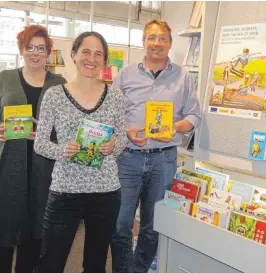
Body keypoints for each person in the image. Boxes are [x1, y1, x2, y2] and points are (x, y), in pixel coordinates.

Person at [111, 20, 201, 273]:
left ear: (170, 43)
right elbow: (112, 114)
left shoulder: (183, 76)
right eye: (152, 38)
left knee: (152, 225)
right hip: (128, 158)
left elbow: (194, 116)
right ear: (144, 42)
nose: (157, 43)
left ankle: (139, 270)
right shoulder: (126, 74)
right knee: (120, 223)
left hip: (163, 159)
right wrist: (126, 131)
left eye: (162, 38)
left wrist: (175, 127)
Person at [33, 31, 127, 273]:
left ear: (104, 61)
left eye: (98, 54)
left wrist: (113, 146)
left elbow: (123, 139)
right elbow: (40, 143)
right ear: (74, 54)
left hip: (106, 192)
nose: (91, 59)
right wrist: (62, 150)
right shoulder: (54, 95)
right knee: (50, 262)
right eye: (85, 51)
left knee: (96, 265)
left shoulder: (115, 96)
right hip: (65, 191)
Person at [0, 25, 66, 273]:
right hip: (6, 171)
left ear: (48, 52)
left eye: (41, 48)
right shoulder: (4, 79)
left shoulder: (60, 84)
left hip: (44, 173)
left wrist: (52, 134)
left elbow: (69, 125)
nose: (35, 53)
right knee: (0, 235)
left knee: (37, 237)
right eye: (30, 47)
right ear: (21, 49)